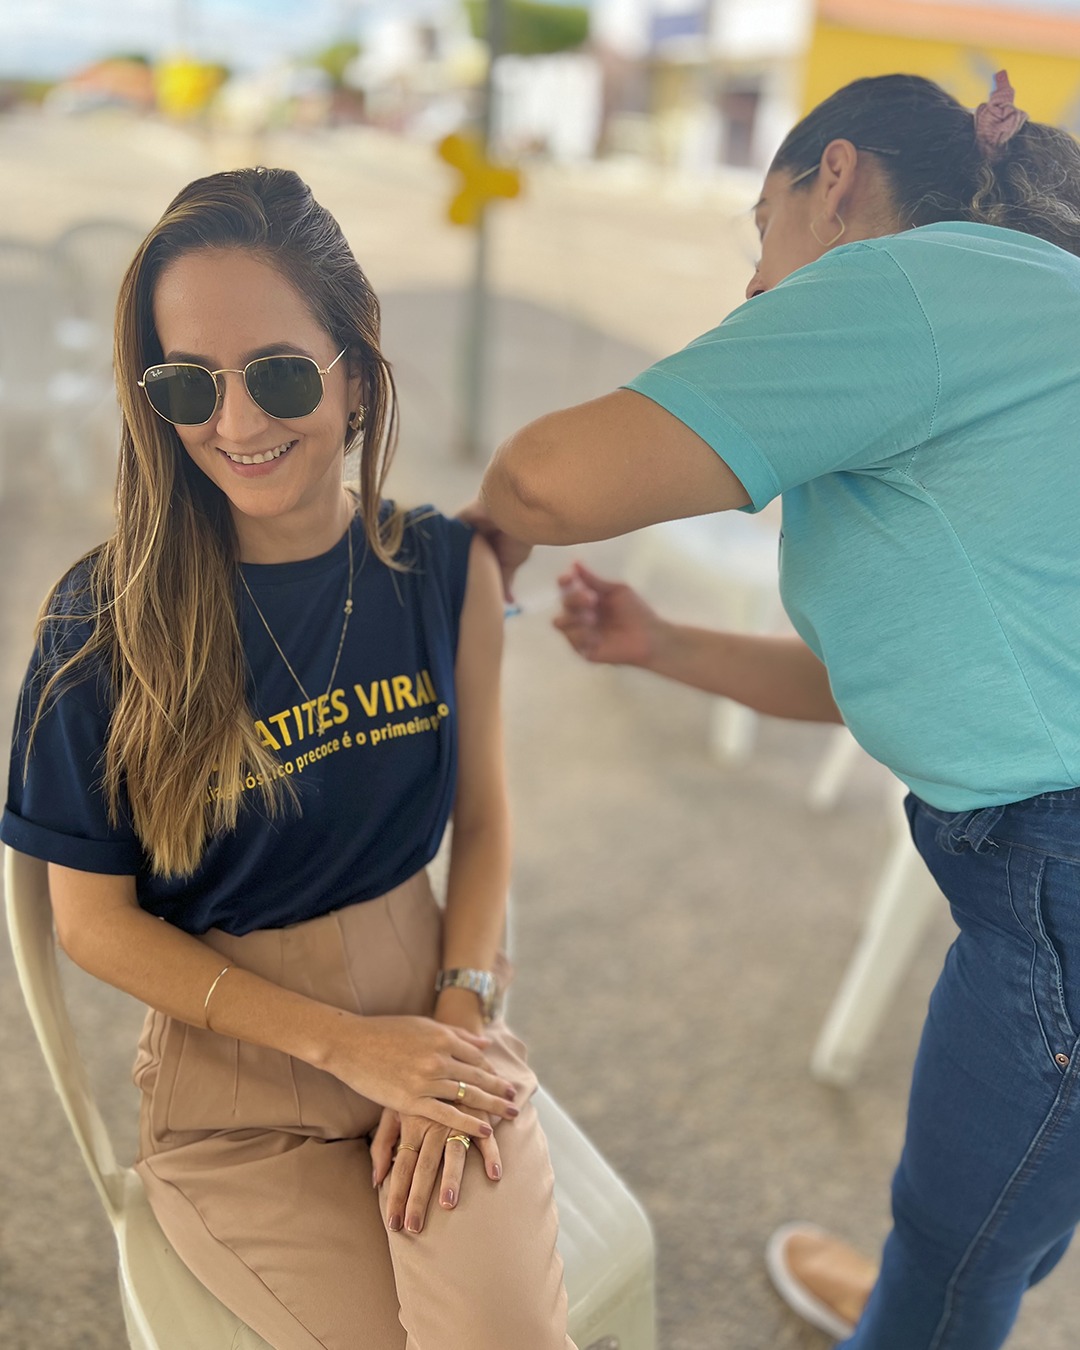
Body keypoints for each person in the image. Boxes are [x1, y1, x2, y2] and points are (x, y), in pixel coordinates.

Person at [472, 71, 1080, 1348]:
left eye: (764, 227)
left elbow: (546, 475)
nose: (756, 282)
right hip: (1046, 843)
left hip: (1059, 876)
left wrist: (492, 534)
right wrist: (661, 644)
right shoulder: (1030, 300)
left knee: (959, 1232)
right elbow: (922, 684)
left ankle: (924, 1310)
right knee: (1024, 1189)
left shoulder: (901, 285)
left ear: (838, 178)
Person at [1, 167, 576, 1350]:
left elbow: (488, 817)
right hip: (240, 1081)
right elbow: (92, 923)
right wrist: (344, 1046)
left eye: (277, 374)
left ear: (356, 377)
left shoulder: (446, 569)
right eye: (185, 385)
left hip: (438, 1018)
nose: (238, 422)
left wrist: (455, 1017)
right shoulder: (101, 625)